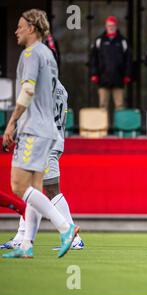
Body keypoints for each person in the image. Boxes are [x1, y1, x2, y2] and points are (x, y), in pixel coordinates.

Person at [2, 9, 79, 259]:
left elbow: (27, 91)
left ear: (32, 29)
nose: (16, 31)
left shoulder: (32, 54)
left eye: (20, 26)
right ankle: (26, 243)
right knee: (37, 188)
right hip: (52, 133)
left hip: (35, 131)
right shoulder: (51, 63)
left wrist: (12, 123)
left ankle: (67, 229)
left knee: (19, 185)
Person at [1, 80, 85, 251]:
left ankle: (73, 237)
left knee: (51, 189)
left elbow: (35, 114)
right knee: (32, 189)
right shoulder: (62, 88)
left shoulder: (44, 86)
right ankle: (21, 236)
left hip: (46, 142)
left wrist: (14, 130)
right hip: (55, 139)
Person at [90, 16, 132, 111]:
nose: (111, 27)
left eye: (113, 25)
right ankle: (102, 126)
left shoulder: (123, 41)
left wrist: (127, 75)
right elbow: (94, 59)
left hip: (119, 78)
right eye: (109, 25)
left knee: (120, 105)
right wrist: (94, 74)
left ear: (116, 26)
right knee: (103, 105)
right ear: (106, 26)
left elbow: (128, 60)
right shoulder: (99, 41)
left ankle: (120, 126)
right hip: (103, 78)